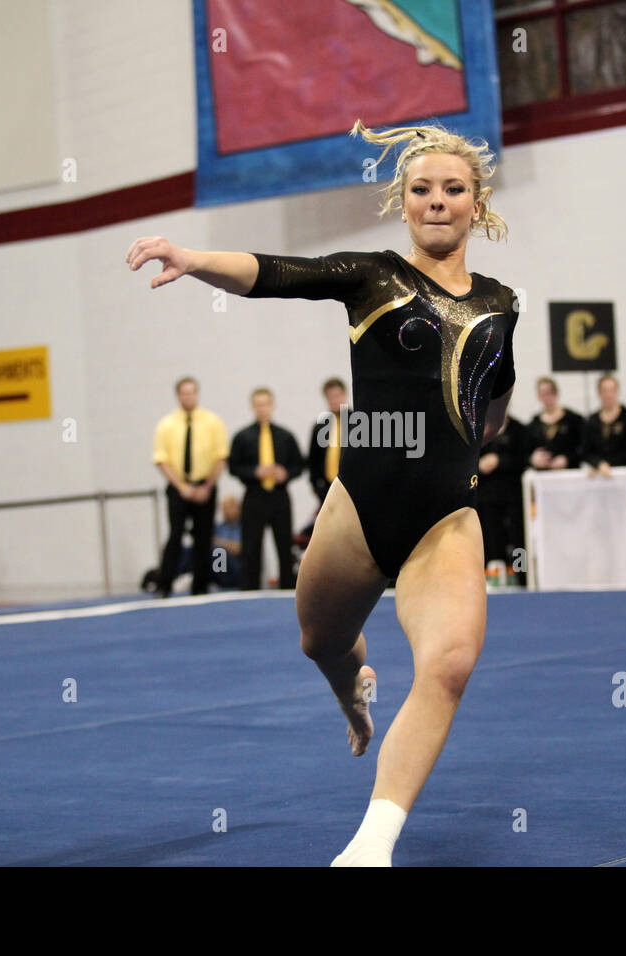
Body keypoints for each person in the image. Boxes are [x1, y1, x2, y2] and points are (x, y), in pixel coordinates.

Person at [126, 118, 519, 867]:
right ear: (403, 202)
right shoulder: (373, 275)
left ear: (477, 202)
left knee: (449, 664)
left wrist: (478, 436)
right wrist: (192, 256)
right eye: (422, 189)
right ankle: (352, 695)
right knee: (321, 641)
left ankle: (374, 842)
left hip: (446, 516)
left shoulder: (503, 302)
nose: (437, 200)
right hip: (359, 508)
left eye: (453, 189)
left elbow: (493, 391)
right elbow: (275, 272)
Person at [152, 377, 229, 597]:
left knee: (203, 537)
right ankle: (164, 584)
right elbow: (161, 459)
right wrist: (182, 487)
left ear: (197, 393)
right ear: (178, 396)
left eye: (192, 392)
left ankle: (200, 585)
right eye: (184, 393)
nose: (188, 396)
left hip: (205, 486)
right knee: (175, 535)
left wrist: (207, 486)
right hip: (178, 487)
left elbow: (221, 457)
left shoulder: (212, 421)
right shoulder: (167, 424)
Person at [228, 387, 305, 590]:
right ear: (253, 407)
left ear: (272, 405)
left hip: (279, 496)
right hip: (254, 496)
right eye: (258, 404)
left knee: (284, 544)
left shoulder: (285, 436)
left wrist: (285, 473)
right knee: (251, 545)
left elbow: (299, 464)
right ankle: (250, 589)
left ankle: (288, 588)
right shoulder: (242, 437)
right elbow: (233, 466)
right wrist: (255, 472)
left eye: (266, 404)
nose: (262, 408)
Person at [475, 410, 527, 581]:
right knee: (491, 535)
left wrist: (500, 461)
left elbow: (524, 459)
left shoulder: (518, 429)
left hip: (513, 494)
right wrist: (479, 464)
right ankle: (494, 574)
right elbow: (466, 457)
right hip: (487, 495)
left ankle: (522, 574)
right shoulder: (478, 427)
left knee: (518, 537)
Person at [580, 373, 626, 475]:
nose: (608, 395)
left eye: (612, 390)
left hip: (623, 472)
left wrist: (607, 464)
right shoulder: (592, 420)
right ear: (599, 393)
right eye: (604, 391)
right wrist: (598, 464)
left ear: (617, 392)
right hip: (599, 473)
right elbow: (586, 451)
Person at [308, 378, 348, 507]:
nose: (335, 400)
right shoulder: (320, 426)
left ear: (344, 395)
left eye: (337, 395)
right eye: (330, 397)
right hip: (327, 489)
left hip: (351, 488)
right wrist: (316, 487)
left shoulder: (358, 423)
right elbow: (313, 459)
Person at [527, 377, 582, 471]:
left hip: (568, 473)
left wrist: (567, 459)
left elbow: (583, 448)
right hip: (543, 475)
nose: (546, 397)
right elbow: (525, 451)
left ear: (556, 393)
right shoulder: (534, 424)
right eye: (542, 394)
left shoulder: (574, 420)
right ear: (539, 396)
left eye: (549, 392)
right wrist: (533, 459)